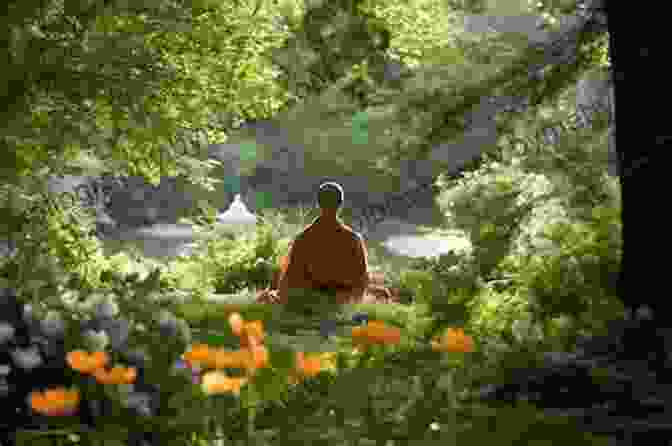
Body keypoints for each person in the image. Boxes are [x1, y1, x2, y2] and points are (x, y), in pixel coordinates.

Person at [256, 182, 396, 305]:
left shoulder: (304, 238)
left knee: (267, 295)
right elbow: (361, 280)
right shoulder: (353, 239)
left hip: (308, 300)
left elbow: (290, 280)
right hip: (342, 300)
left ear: (319, 203)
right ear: (340, 204)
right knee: (382, 294)